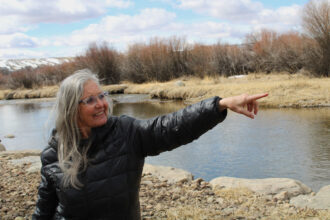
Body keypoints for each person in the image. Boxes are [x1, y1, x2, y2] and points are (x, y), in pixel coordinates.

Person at [32, 69, 268, 220]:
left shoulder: (125, 133)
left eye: (102, 96)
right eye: (90, 100)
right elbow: (44, 209)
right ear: (72, 108)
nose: (101, 104)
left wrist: (219, 105)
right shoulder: (54, 154)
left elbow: (171, 125)